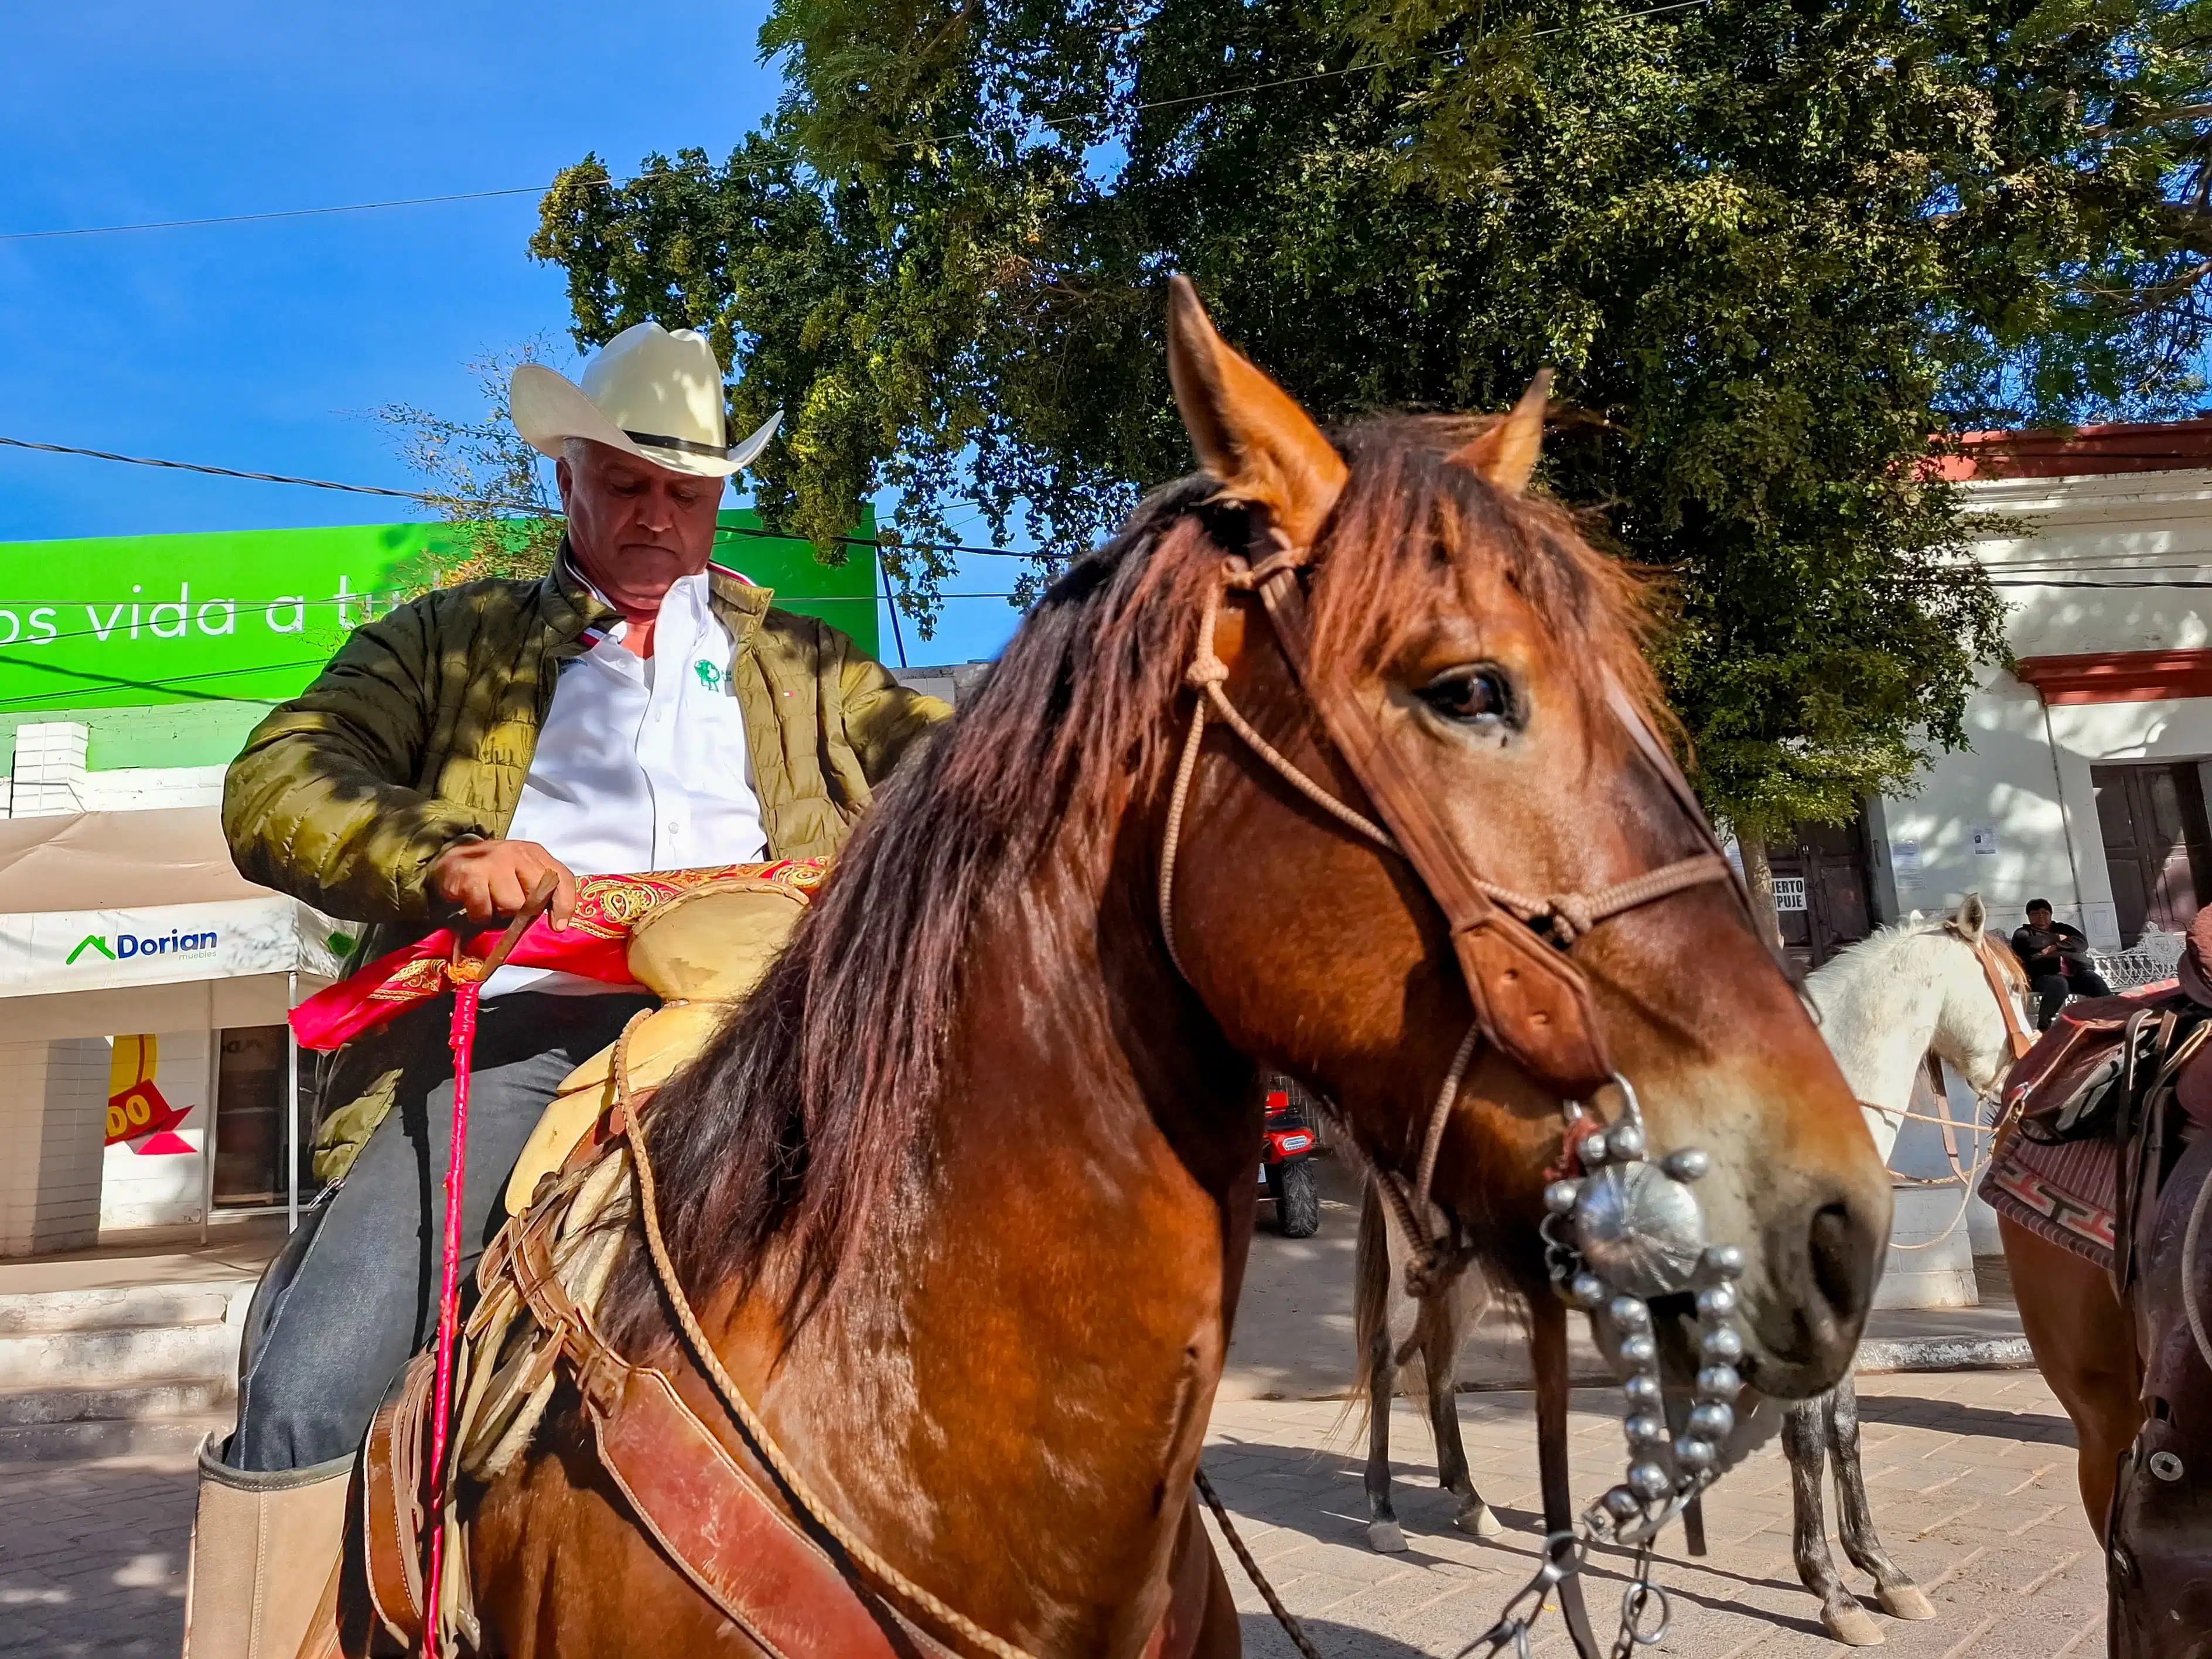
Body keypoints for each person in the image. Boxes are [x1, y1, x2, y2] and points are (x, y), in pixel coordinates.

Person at [182, 322, 950, 1655]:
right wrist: (442, 855)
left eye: (686, 491)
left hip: (779, 1024)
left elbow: (973, 784)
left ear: (720, 499)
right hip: (519, 1029)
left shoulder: (813, 670)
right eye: (626, 483)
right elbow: (276, 782)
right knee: (312, 1381)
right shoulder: (446, 641)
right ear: (567, 483)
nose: (656, 515)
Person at [2010, 898, 2113, 1029]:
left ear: (2051, 915)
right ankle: (2044, 1024)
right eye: (2036, 914)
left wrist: (2054, 947)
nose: (2041, 917)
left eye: (2045, 913)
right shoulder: (2023, 933)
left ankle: (2113, 1015)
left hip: (2075, 973)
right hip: (2044, 976)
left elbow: (2082, 943)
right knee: (2059, 983)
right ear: (2029, 917)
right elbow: (2030, 943)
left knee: (2093, 979)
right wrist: (2058, 938)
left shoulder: (2062, 928)